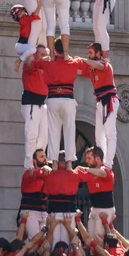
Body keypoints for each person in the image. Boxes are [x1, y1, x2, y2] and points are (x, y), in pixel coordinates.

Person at [28, 37, 103, 166]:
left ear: (55, 50)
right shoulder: (73, 62)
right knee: (69, 130)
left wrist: (45, 58)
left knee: (53, 131)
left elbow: (32, 64)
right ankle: (69, 163)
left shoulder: (48, 63)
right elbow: (87, 71)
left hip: (52, 98)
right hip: (68, 99)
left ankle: (55, 163)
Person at [79, 43, 119, 168]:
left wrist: (81, 60)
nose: (88, 56)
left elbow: (97, 65)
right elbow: (79, 70)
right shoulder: (92, 69)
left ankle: (109, 163)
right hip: (101, 103)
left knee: (110, 133)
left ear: (98, 53)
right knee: (98, 135)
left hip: (109, 101)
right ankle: (101, 160)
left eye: (91, 53)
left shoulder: (105, 65)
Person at [43, 151, 82, 245]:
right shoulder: (75, 174)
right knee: (68, 243)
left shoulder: (49, 174)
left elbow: (46, 191)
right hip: (69, 211)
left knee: (53, 242)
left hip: (54, 210)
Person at [75, 146, 115, 237]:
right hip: (94, 209)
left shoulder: (105, 169)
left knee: (99, 237)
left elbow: (102, 173)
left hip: (105, 210)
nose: (87, 161)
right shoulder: (89, 173)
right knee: (91, 237)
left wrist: (85, 169)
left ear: (97, 159)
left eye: (89, 158)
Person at [20, 45, 49, 171]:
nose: (44, 56)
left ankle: (40, 160)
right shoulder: (29, 65)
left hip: (42, 104)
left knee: (44, 135)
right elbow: (31, 64)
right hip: (31, 103)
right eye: (41, 54)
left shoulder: (42, 68)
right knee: (31, 135)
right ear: (35, 54)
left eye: (44, 54)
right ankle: (29, 165)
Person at [17, 148, 50, 238]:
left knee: (44, 240)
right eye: (42, 157)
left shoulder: (47, 173)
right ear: (34, 161)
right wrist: (46, 169)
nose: (45, 159)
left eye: (45, 156)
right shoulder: (28, 173)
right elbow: (38, 174)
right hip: (30, 212)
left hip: (43, 212)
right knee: (34, 239)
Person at [10, 1, 43, 71]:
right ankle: (18, 61)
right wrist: (39, 7)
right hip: (20, 46)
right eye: (19, 13)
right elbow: (34, 16)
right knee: (33, 49)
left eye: (21, 10)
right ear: (18, 17)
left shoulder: (24, 18)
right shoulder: (23, 20)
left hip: (23, 46)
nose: (22, 12)